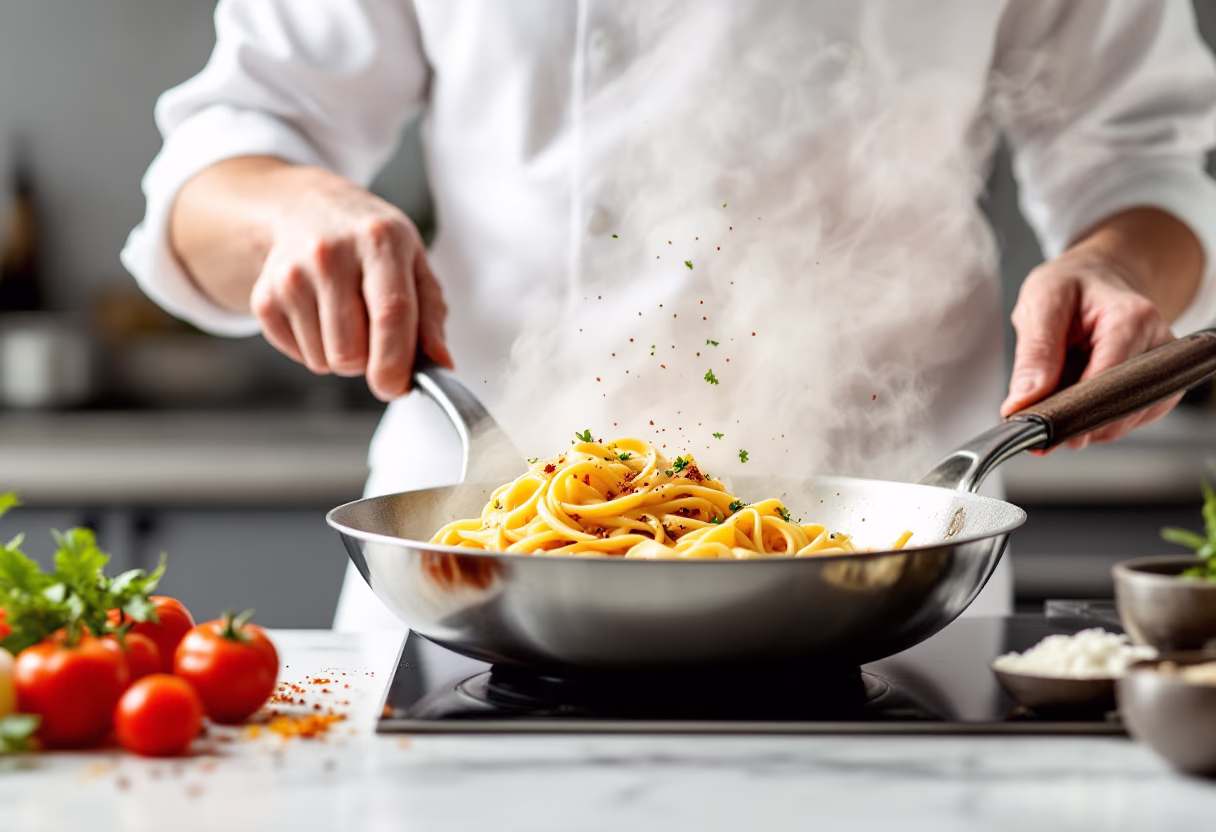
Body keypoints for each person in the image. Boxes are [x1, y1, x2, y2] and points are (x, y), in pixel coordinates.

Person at [123, 1, 1216, 630]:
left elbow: (1147, 156)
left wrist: (1118, 262)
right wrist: (294, 210)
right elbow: (219, 166)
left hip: (878, 571)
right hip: (478, 569)